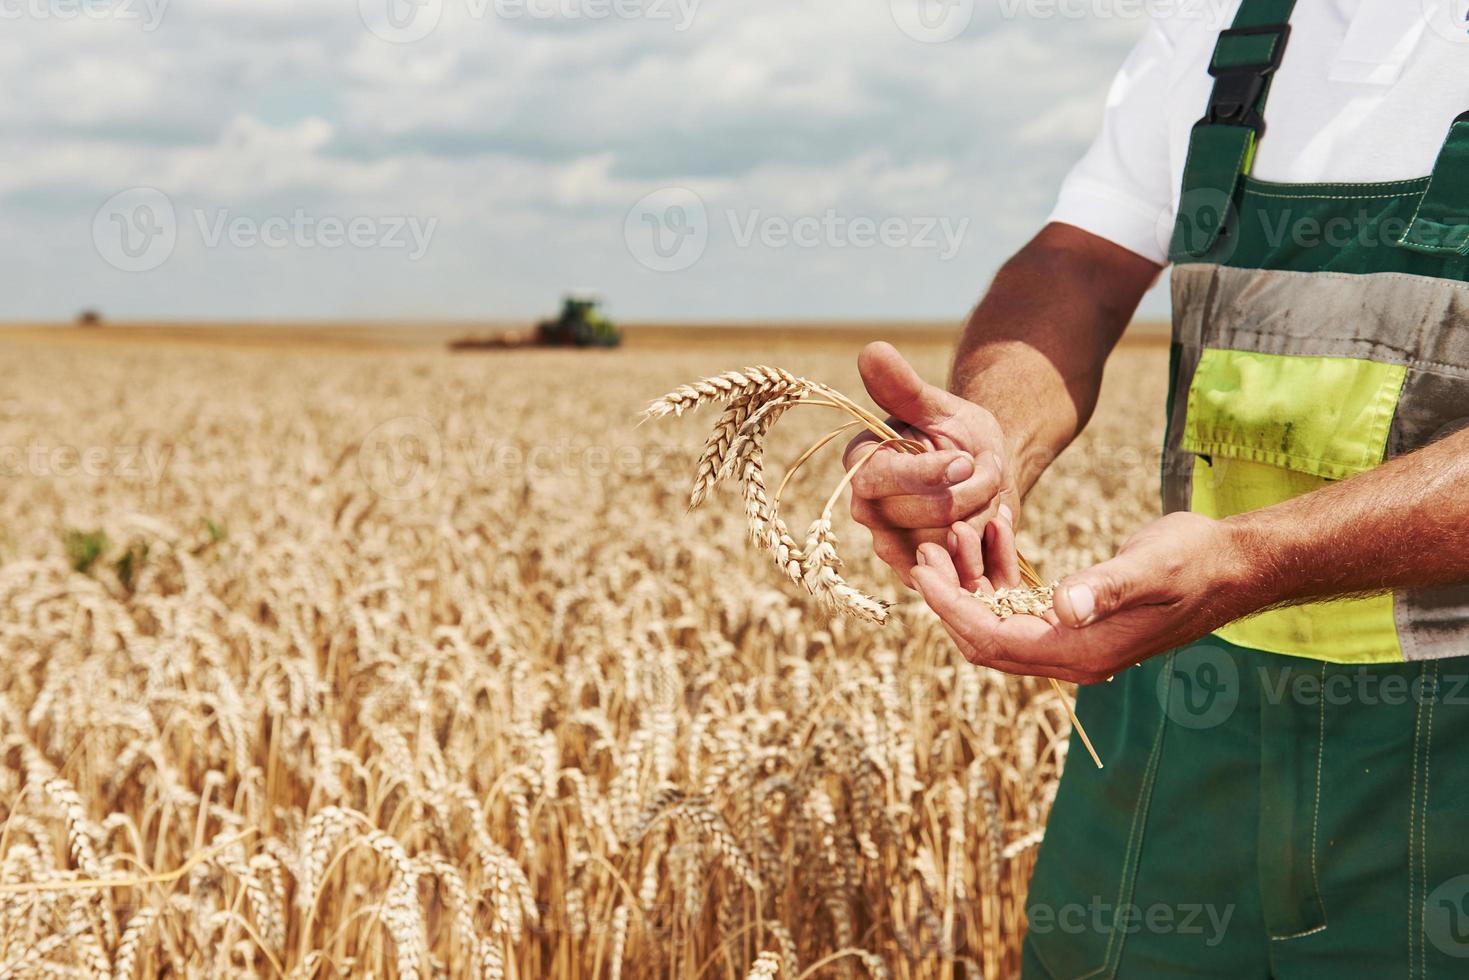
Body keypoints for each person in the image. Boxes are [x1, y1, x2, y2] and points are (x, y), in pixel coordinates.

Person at [845, 2, 1469, 976]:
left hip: (1443, 777)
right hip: (1177, 726)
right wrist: (984, 444)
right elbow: (1079, 263)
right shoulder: (1219, 26)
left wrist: (1245, 559)